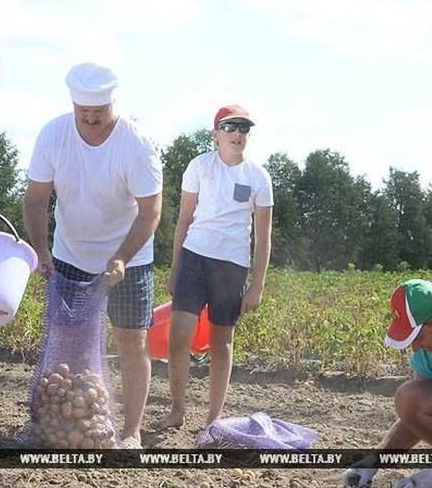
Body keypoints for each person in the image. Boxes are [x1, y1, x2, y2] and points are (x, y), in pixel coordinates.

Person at [23, 62, 162, 448]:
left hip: (129, 258)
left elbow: (151, 211)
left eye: (97, 115)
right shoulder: (54, 135)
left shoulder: (136, 145)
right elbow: (36, 199)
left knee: (132, 341)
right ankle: (64, 423)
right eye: (83, 114)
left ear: (112, 106)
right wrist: (42, 248)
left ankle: (131, 431)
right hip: (70, 253)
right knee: (70, 341)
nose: (89, 121)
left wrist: (120, 257)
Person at [157, 104, 273, 430]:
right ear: (215, 133)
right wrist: (175, 267)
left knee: (221, 343)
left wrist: (257, 286)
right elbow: (183, 220)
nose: (237, 134)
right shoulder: (199, 167)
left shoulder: (258, 177)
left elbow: (263, 238)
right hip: (195, 257)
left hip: (232, 266)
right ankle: (177, 410)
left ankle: (213, 419)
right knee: (179, 336)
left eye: (243, 128)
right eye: (230, 127)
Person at [343, 279, 432, 488]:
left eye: (418, 337)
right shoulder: (428, 350)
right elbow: (416, 415)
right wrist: (375, 461)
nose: (415, 347)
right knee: (409, 398)